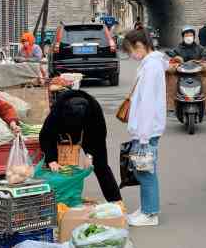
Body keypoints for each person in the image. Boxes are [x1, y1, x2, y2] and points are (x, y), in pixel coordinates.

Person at [39, 90, 122, 203]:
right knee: (58, 168)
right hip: (63, 134)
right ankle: (57, 201)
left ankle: (116, 201)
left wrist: (90, 155)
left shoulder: (94, 109)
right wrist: (51, 159)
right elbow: (46, 136)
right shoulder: (58, 109)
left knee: (101, 166)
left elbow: (99, 136)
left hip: (88, 133)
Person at [122, 28, 168, 227]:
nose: (131, 55)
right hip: (145, 128)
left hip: (146, 130)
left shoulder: (151, 67)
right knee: (143, 169)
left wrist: (143, 136)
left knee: (145, 171)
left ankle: (150, 214)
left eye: (130, 50)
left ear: (139, 46)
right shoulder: (150, 65)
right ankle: (146, 208)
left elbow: (148, 102)